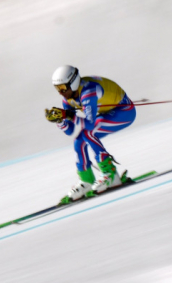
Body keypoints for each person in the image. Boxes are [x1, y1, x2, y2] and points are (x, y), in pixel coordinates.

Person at [46, 65, 136, 203]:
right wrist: (60, 121)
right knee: (78, 141)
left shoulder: (89, 91)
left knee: (88, 133)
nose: (61, 92)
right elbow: (69, 130)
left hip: (124, 112)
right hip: (107, 113)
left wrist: (68, 115)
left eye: (63, 88)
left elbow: (89, 124)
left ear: (73, 82)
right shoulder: (68, 98)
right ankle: (86, 181)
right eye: (57, 89)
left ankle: (111, 174)